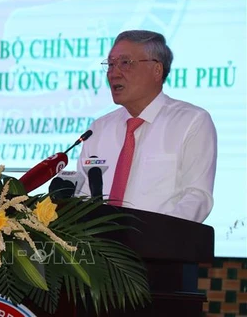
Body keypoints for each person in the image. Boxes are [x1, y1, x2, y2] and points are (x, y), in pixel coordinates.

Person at [76, 30, 217, 223]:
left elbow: (197, 197)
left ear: (157, 70)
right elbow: (81, 196)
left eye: (125, 63)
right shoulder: (99, 129)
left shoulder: (191, 122)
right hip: (101, 251)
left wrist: (158, 237)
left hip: (159, 248)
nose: (114, 73)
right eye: (110, 64)